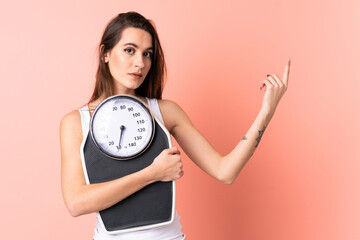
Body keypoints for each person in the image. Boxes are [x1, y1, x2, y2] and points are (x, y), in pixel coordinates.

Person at [60, 11, 290, 240]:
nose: (140, 63)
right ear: (106, 53)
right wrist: (152, 173)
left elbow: (225, 171)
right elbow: (76, 203)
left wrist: (266, 112)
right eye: (129, 50)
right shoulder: (75, 123)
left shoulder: (165, 112)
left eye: (147, 54)